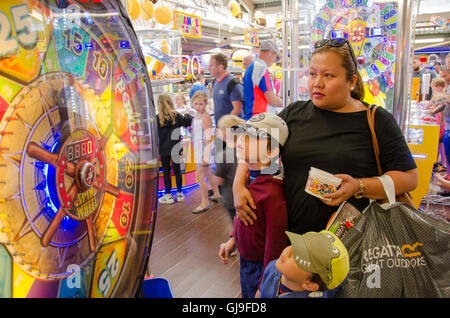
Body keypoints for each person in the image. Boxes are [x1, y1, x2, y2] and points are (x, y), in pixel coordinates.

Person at [233, 38, 418, 236]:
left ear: (352, 81)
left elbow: (409, 178)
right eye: (312, 74)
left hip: (354, 245)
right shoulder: (294, 113)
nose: (317, 83)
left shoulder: (376, 119)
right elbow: (255, 144)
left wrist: (358, 186)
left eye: (328, 75)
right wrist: (238, 186)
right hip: (294, 242)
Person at [219, 112, 289, 298]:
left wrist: (264, 285)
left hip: (260, 268)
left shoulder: (272, 193)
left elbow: (275, 245)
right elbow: (243, 217)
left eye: (251, 139)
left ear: (271, 150)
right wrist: (233, 239)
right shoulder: (250, 179)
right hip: (246, 262)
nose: (241, 142)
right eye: (242, 136)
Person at [256, 230, 349, 298]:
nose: (288, 251)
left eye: (298, 257)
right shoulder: (273, 267)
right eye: (295, 245)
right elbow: (260, 291)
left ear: (310, 284)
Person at [156, 93, 193, 204]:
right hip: (176, 148)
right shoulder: (176, 116)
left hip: (163, 149)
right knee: (177, 171)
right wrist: (187, 113)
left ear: (159, 104)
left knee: (167, 171)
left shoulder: (157, 118)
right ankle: (180, 193)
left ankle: (168, 195)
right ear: (170, 102)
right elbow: (188, 121)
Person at [191, 91, 221, 213]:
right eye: (196, 104)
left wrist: (206, 156)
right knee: (208, 173)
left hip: (204, 150)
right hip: (198, 148)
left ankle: (204, 202)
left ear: (206, 103)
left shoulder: (205, 117)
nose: (198, 106)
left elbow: (209, 138)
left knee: (200, 175)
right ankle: (217, 194)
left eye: (201, 104)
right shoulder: (196, 116)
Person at [214, 114, 245, 221]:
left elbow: (219, 180)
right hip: (247, 195)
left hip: (232, 198)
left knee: (236, 224)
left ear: (225, 135)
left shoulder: (222, 155)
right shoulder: (247, 150)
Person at [243, 40, 282, 120]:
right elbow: (272, 100)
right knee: (278, 132)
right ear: (270, 52)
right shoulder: (261, 67)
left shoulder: (253, 66)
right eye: (276, 57)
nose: (275, 60)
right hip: (260, 122)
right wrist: (287, 102)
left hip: (254, 119)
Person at [208, 53, 244, 124]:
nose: (209, 68)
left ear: (220, 67)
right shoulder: (215, 82)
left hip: (233, 129)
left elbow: (237, 109)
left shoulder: (233, 83)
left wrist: (225, 125)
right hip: (221, 129)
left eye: (211, 65)